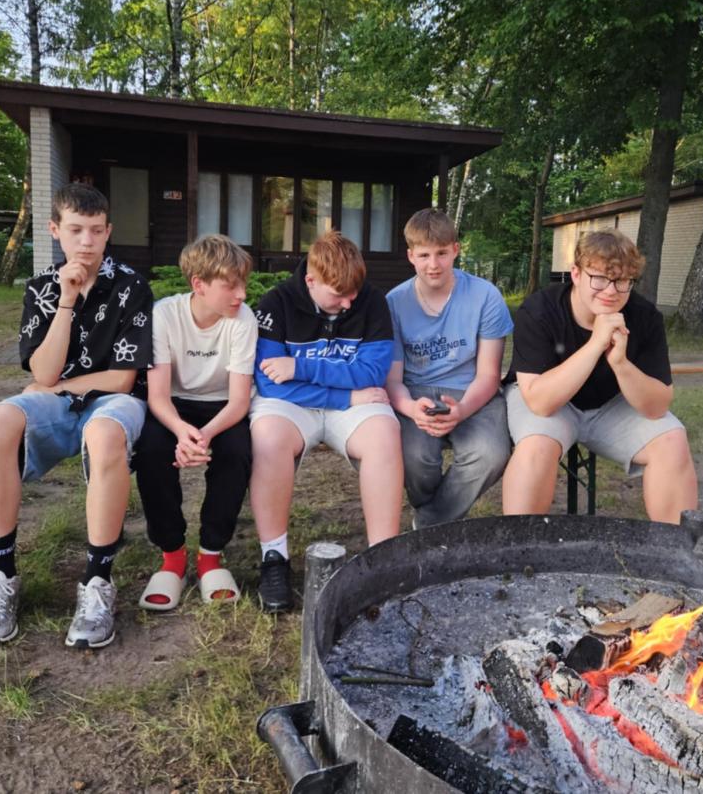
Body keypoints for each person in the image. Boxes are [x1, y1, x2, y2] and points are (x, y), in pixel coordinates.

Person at [0, 183, 153, 650]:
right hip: (58, 401)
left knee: (105, 431)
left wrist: (55, 387)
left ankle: (97, 582)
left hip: (111, 403)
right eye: (75, 230)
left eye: (96, 230)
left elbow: (122, 380)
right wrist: (66, 300)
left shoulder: (132, 286)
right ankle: (0, 576)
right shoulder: (41, 288)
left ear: (108, 231)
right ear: (55, 230)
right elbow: (43, 371)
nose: (86, 241)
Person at [248, 230, 402, 612]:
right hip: (300, 403)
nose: (349, 303)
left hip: (348, 401)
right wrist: (344, 395)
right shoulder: (277, 302)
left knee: (384, 434)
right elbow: (271, 383)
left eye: (353, 293)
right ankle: (274, 558)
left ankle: (383, 558)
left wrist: (299, 367)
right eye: (339, 294)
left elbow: (373, 373)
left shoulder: (372, 301)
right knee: (268, 437)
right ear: (311, 280)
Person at [501, 230, 697, 523]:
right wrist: (595, 345)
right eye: (600, 278)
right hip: (548, 401)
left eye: (622, 281)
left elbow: (657, 407)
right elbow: (540, 402)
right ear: (576, 274)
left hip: (612, 404)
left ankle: (677, 545)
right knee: (536, 445)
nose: (610, 291)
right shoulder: (539, 310)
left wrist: (620, 364)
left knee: (672, 441)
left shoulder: (644, 317)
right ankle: (520, 544)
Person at [132, 235, 256, 611]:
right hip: (174, 405)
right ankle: (172, 557)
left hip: (223, 407)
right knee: (152, 450)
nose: (242, 294)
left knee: (237, 451)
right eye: (230, 285)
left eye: (243, 283)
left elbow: (239, 401)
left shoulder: (243, 320)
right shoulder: (164, 315)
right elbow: (157, 396)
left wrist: (203, 436)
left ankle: (210, 557)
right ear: (198, 284)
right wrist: (180, 432)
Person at [384, 209, 513, 526]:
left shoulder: (485, 296)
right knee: (414, 458)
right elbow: (393, 380)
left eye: (441, 253)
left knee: (490, 454)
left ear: (456, 249)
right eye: (424, 255)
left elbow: (489, 374)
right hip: (416, 392)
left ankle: (430, 523)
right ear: (411, 256)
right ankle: (433, 517)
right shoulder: (394, 302)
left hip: (472, 390)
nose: (433, 264)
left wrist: (463, 409)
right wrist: (411, 409)